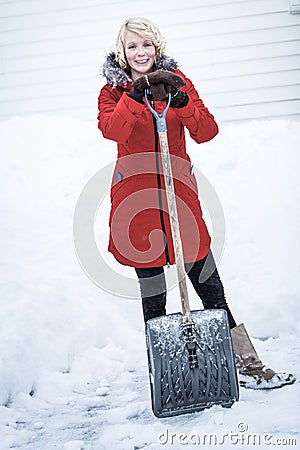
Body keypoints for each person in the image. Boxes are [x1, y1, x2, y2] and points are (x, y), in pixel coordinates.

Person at [97, 17, 294, 389]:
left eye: (146, 44)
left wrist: (183, 102)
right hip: (136, 208)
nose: (140, 52)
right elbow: (114, 130)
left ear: (157, 47)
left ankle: (248, 364)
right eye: (132, 46)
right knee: (153, 298)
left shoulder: (178, 82)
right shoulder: (112, 91)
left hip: (180, 201)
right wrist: (134, 98)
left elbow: (206, 131)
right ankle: (170, 375)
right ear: (122, 52)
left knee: (210, 286)